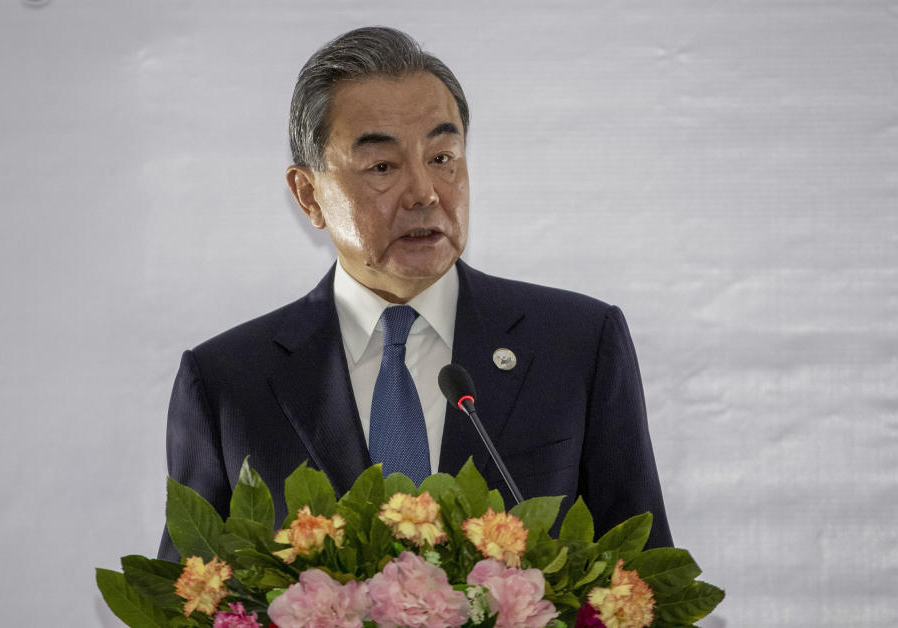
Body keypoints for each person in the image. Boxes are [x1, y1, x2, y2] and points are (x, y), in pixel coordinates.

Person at [158, 26, 671, 561]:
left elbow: (645, 581)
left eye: (443, 157)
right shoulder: (227, 383)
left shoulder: (577, 344)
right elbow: (189, 599)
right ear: (308, 195)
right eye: (382, 167)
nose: (425, 192)